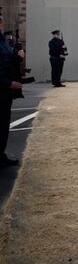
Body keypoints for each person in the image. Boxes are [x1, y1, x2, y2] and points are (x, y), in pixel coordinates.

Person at [0, 13, 24, 168]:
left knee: (3, 125)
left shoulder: (3, 41)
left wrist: (18, 57)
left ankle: (1, 155)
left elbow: (7, 62)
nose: (2, 24)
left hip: (5, 90)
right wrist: (8, 83)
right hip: (2, 88)